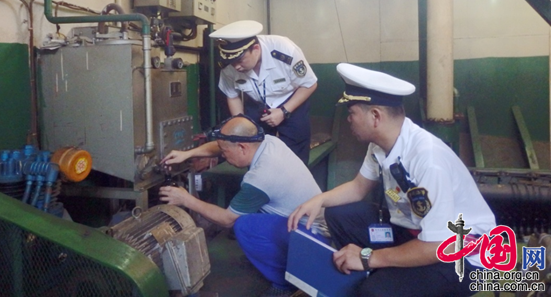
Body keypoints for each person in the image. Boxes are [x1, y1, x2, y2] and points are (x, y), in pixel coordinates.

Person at [288, 63, 497, 297]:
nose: (348, 120)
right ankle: (377, 273)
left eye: (351, 113)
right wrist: (319, 200)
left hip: (460, 253)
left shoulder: (428, 159)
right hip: (414, 230)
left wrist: (367, 257)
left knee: (375, 292)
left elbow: (437, 245)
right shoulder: (379, 146)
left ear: (375, 116)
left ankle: (378, 277)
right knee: (339, 215)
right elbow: (358, 188)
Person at [160, 114, 328, 297]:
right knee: (251, 215)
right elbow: (223, 144)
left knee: (243, 226)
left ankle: (284, 285)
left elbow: (227, 220)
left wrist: (186, 199)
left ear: (242, 147)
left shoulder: (260, 177)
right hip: (316, 223)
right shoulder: (268, 142)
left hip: (313, 237)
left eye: (225, 152)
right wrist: (188, 154)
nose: (223, 155)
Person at [209, 20, 317, 165]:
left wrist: (284, 111)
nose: (236, 67)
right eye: (232, 62)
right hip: (257, 103)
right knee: (252, 148)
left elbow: (309, 84)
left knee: (296, 152)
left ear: (256, 49)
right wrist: (241, 124)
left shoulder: (284, 50)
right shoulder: (229, 67)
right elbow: (232, 96)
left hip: (291, 101)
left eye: (240, 60)